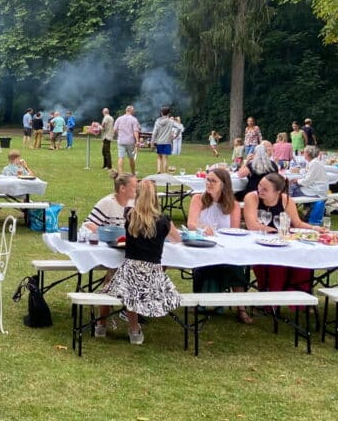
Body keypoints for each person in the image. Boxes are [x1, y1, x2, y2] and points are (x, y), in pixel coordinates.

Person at [101, 179, 182, 345]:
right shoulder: (163, 221)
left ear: (137, 196)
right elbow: (177, 238)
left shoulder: (130, 215)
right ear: (155, 198)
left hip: (130, 268)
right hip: (153, 273)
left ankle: (101, 325)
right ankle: (134, 330)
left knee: (109, 285)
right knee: (134, 291)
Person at [187, 167, 252, 323]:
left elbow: (234, 230)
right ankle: (201, 301)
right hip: (204, 244)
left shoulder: (233, 205)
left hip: (224, 245)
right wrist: (202, 228)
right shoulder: (198, 199)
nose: (209, 183)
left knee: (235, 266)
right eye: (207, 180)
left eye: (213, 181)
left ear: (223, 184)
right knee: (206, 263)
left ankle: (241, 309)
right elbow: (191, 223)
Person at [243, 173, 312, 293]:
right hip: (260, 245)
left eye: (265, 189)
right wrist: (277, 231)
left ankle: (297, 298)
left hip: (283, 244)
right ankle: (272, 297)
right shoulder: (252, 197)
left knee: (303, 261)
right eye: (259, 186)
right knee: (276, 266)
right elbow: (252, 225)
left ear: (277, 192)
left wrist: (314, 228)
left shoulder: (286, 200)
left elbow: (298, 224)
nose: (260, 190)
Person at [113, 105, 142, 175]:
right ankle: (133, 173)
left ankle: (120, 174)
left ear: (126, 110)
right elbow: (136, 131)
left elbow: (114, 130)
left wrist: (119, 134)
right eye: (133, 110)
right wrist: (137, 141)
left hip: (121, 141)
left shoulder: (119, 119)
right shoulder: (134, 119)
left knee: (121, 157)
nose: (134, 111)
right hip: (130, 142)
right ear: (131, 111)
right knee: (131, 158)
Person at [151, 106, 175, 174]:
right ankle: (164, 173)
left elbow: (154, 133)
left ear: (161, 113)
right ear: (169, 113)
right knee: (165, 158)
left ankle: (158, 170)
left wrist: (152, 142)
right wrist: (175, 135)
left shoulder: (158, 121)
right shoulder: (171, 121)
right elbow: (179, 128)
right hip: (167, 142)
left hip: (159, 142)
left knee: (159, 157)